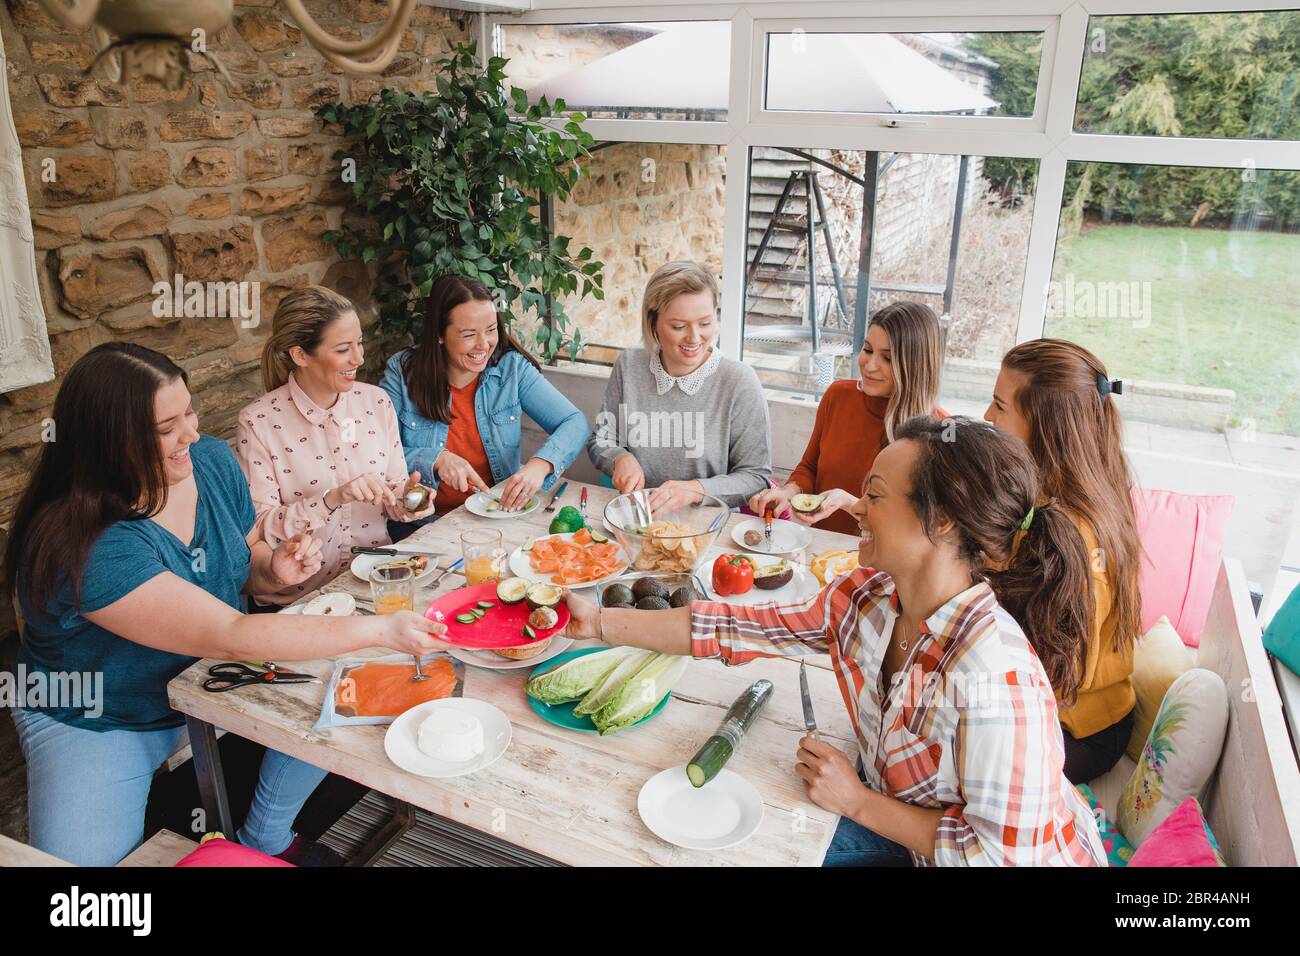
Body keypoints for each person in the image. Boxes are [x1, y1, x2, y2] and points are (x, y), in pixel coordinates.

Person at [563, 415, 1105, 867]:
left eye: (874, 495)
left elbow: (998, 855)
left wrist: (859, 802)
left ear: (941, 523)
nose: (857, 509)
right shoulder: (867, 597)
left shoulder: (994, 676)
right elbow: (734, 626)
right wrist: (597, 624)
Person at [3, 344, 449, 866]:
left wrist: (271, 567)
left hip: (206, 676)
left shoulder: (210, 462)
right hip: (105, 717)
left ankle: (266, 832)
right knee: (78, 898)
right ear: (109, 443)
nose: (191, 433)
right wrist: (383, 630)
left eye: (187, 411)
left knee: (347, 686)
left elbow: (244, 563)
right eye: (166, 428)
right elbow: (232, 631)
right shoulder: (90, 544)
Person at [984, 339, 1140, 782]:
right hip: (1094, 711)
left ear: (1045, 425)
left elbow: (1055, 677)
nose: (986, 417)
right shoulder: (1080, 487)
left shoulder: (1068, 533)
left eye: (999, 406)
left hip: (1078, 731)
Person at [236, 286, 436, 609]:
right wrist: (331, 499)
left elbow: (393, 497)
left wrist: (407, 501)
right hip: (298, 603)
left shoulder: (377, 403)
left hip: (374, 585)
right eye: (344, 349)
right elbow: (260, 530)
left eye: (359, 343)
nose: (359, 358)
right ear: (300, 355)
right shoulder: (258, 422)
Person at [381, 275, 587, 537]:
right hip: (420, 525)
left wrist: (540, 464)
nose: (484, 344)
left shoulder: (511, 369)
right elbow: (378, 453)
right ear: (439, 335)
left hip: (496, 522)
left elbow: (574, 422)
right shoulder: (401, 372)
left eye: (491, 329)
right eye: (468, 334)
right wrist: (436, 459)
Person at [587, 261, 772, 513]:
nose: (694, 338)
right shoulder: (629, 365)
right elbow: (602, 439)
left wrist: (694, 490)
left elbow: (755, 477)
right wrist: (620, 458)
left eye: (705, 323)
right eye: (678, 326)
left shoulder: (739, 381)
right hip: (637, 518)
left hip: (709, 527)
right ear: (653, 323)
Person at [750, 301, 945, 535]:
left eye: (888, 359)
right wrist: (788, 491)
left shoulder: (940, 431)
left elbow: (918, 526)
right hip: (821, 548)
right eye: (868, 349)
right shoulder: (838, 396)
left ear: (916, 366)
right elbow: (810, 468)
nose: (870, 365)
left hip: (883, 565)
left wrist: (848, 502)